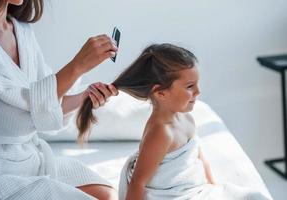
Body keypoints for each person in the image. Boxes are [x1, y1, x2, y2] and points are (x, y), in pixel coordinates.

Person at [77, 43, 271, 200]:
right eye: (189, 86)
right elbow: (138, 182)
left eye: (197, 84)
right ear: (160, 92)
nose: (198, 92)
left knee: (254, 197)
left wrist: (214, 188)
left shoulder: (187, 118)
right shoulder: (161, 132)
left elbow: (199, 157)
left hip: (196, 190)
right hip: (173, 195)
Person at [0, 0, 119, 199]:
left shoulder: (22, 31)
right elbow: (16, 119)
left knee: (107, 194)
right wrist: (77, 66)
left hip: (32, 158)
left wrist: (84, 98)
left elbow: (46, 104)